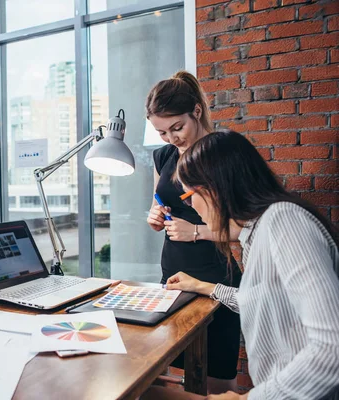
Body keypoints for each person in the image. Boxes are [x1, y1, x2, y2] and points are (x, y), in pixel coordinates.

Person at [148, 131, 339, 400]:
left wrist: (247, 399)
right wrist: (204, 287)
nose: (191, 206)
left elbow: (333, 347)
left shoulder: (284, 222)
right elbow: (265, 300)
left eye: (189, 196)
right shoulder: (257, 233)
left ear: (215, 189)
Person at [145, 71, 242, 393]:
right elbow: (160, 201)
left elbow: (241, 229)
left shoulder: (221, 152)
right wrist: (156, 215)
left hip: (216, 274)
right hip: (173, 271)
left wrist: (196, 231)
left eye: (177, 127)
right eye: (162, 132)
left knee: (216, 375)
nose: (172, 138)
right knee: (172, 364)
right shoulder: (163, 156)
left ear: (196, 112)